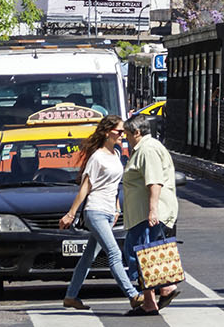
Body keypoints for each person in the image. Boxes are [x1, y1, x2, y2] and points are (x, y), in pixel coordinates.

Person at [61, 115, 143, 311]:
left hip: (107, 212)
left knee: (88, 257)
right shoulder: (97, 157)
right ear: (107, 132)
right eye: (119, 132)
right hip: (95, 210)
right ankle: (133, 295)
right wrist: (71, 213)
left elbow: (113, 185)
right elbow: (86, 186)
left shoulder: (115, 153)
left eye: (124, 132)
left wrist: (116, 208)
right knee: (114, 253)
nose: (123, 135)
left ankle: (71, 296)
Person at [121, 114, 179, 314]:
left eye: (127, 135)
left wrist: (153, 210)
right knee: (146, 254)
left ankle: (158, 293)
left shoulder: (147, 149)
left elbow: (154, 182)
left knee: (139, 255)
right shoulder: (144, 148)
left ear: (137, 132)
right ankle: (156, 295)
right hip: (143, 213)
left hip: (148, 212)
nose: (125, 139)